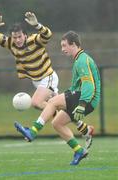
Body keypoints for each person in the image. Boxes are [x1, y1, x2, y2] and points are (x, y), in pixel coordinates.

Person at [14, 30, 101, 165]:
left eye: (65, 45)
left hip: (88, 99)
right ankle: (79, 151)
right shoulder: (78, 59)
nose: (62, 49)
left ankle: (32, 131)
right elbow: (75, 87)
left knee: (52, 103)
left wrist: (82, 104)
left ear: (74, 45)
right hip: (85, 99)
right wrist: (60, 95)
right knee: (57, 123)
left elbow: (89, 85)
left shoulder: (82, 60)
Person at [0, 12, 59, 110]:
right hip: (36, 81)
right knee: (58, 105)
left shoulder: (34, 40)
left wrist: (37, 25)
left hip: (48, 77)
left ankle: (40, 124)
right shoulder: (10, 43)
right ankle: (81, 125)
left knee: (36, 102)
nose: (17, 40)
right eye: (15, 37)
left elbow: (47, 35)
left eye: (19, 36)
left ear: (25, 35)